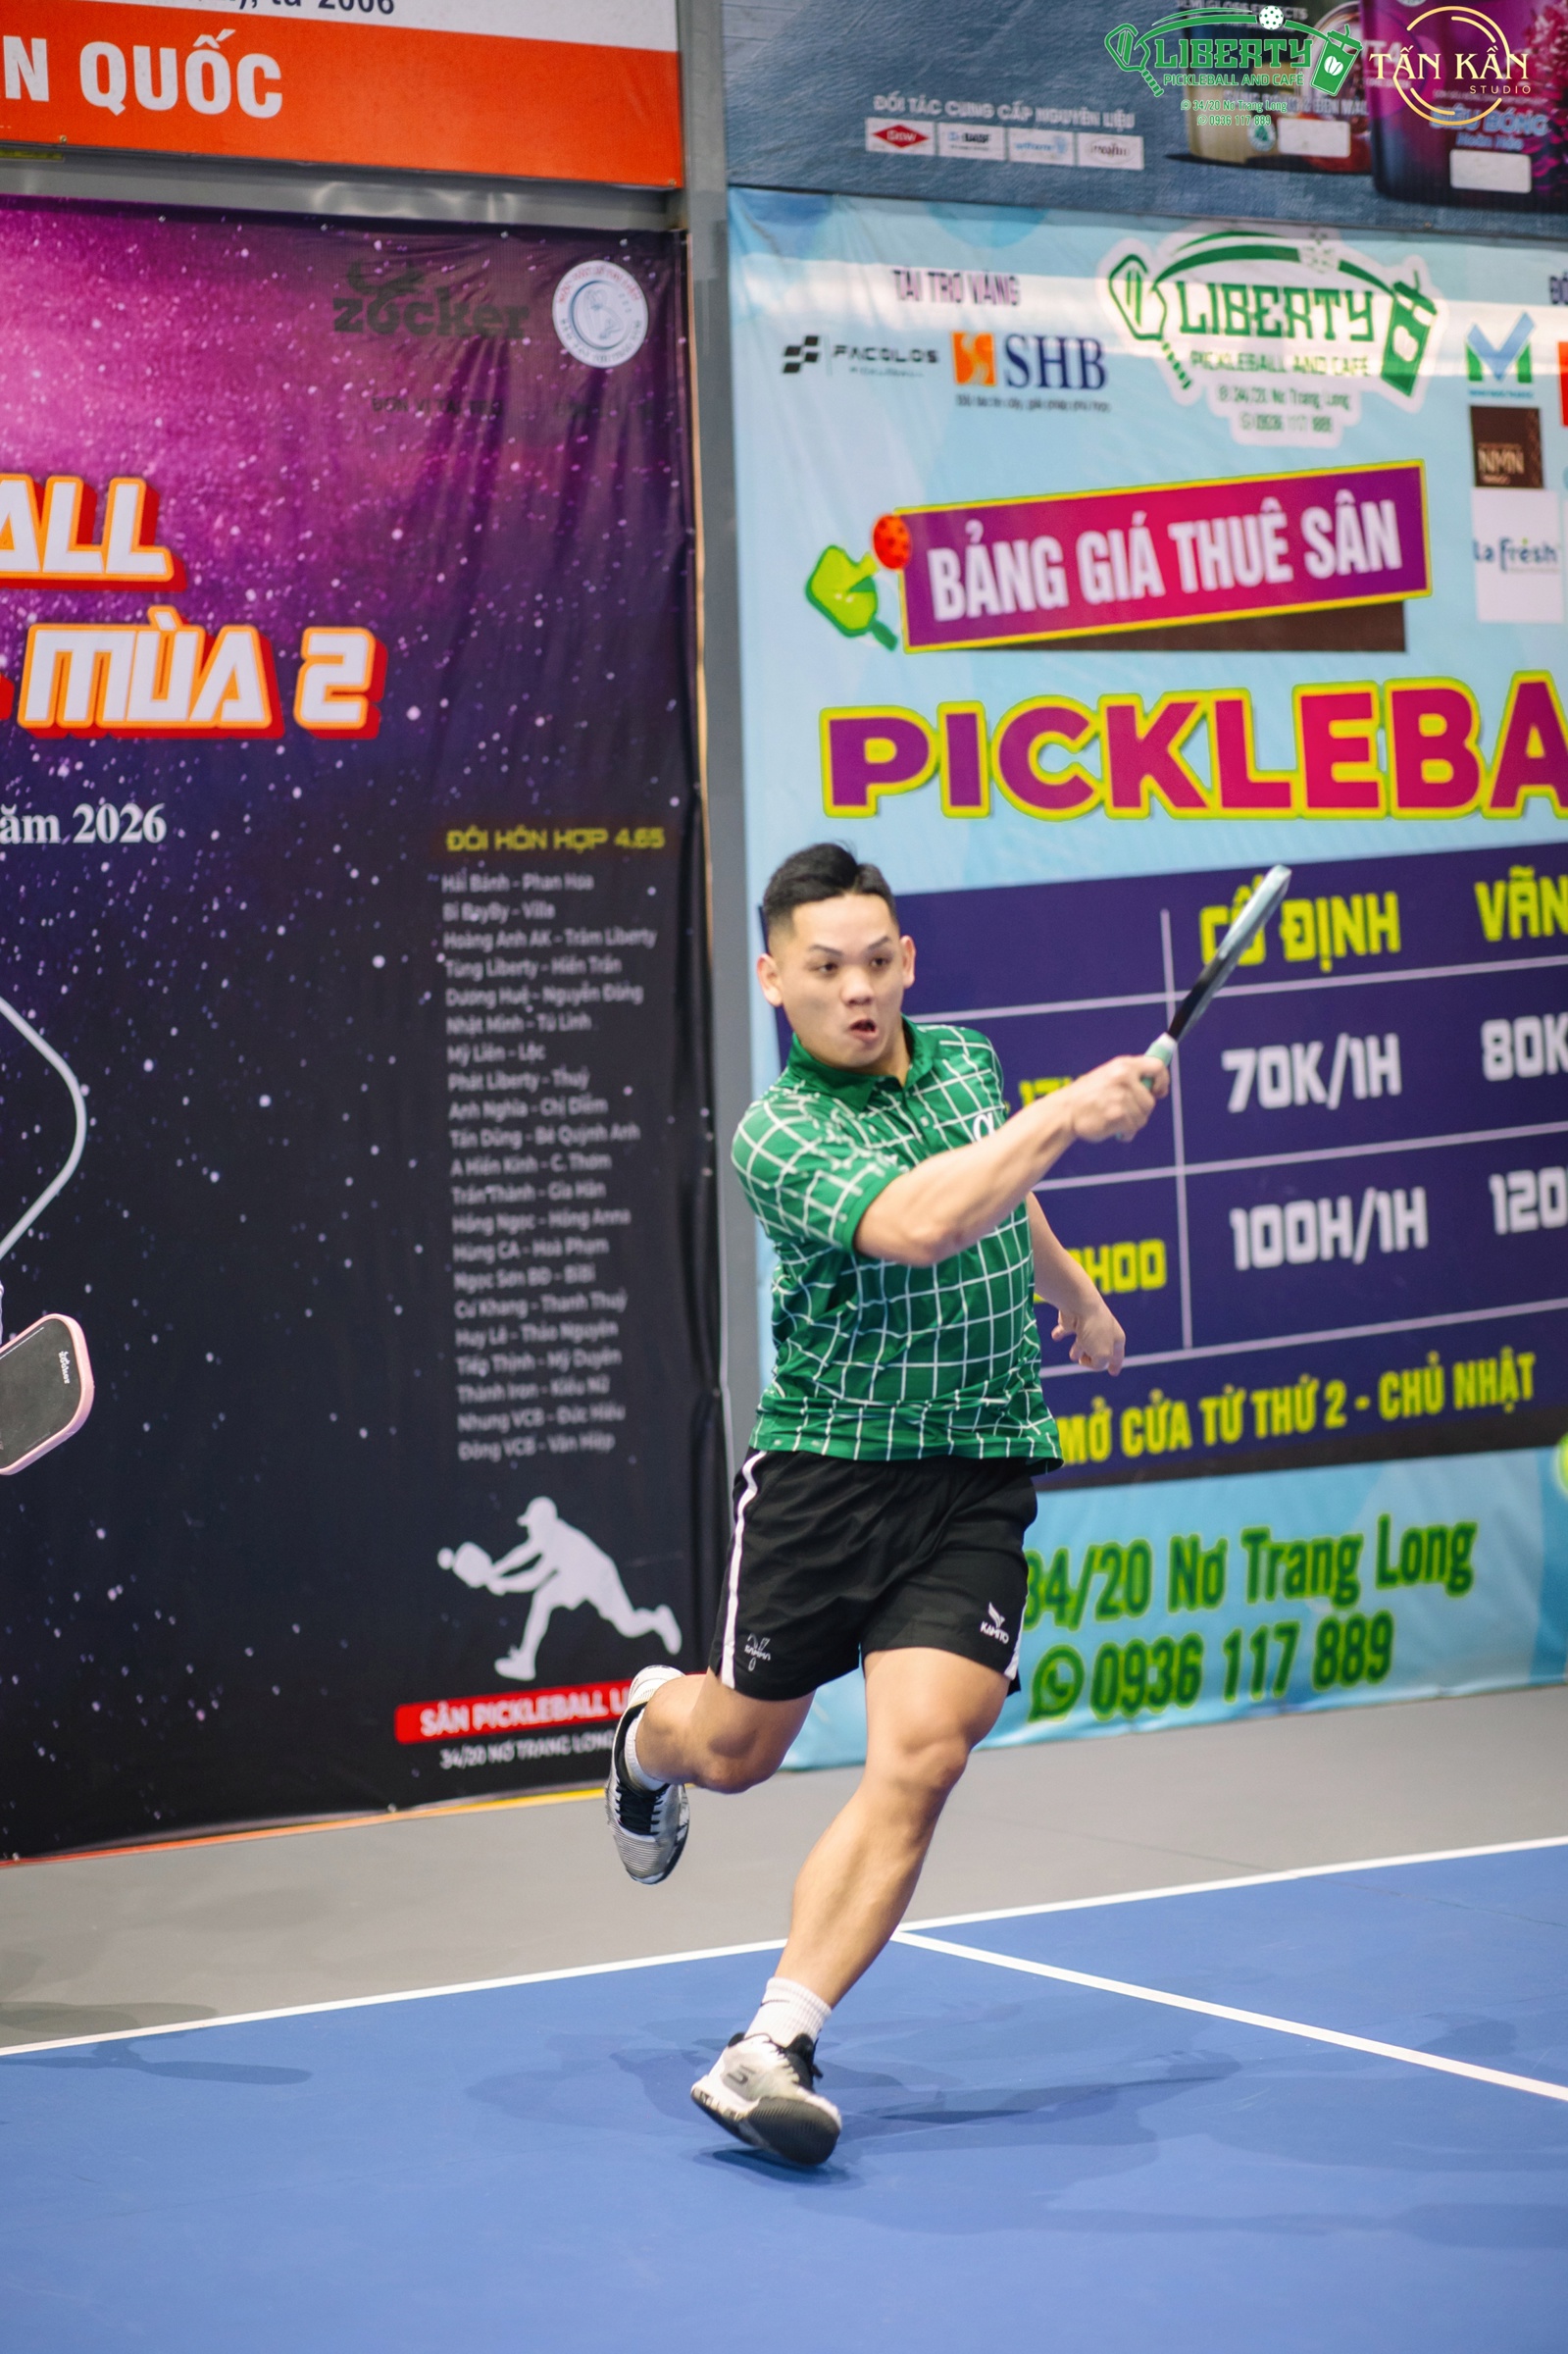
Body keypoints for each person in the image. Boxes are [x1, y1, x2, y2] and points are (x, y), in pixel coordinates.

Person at [605, 842, 1168, 2167]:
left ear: (907, 960)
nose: (855, 990)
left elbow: (998, 1194)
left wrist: (1074, 1293)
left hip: (973, 1467)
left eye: (875, 962)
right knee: (739, 1752)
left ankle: (772, 2044)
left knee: (924, 1754)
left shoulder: (966, 1063)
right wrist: (1064, 1117)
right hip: (830, 1475)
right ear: (775, 980)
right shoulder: (778, 1134)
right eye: (824, 969)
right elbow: (921, 1221)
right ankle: (645, 1732)